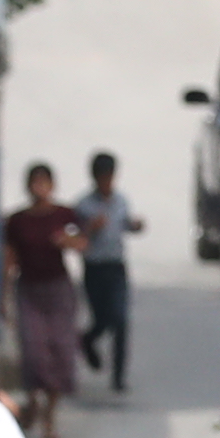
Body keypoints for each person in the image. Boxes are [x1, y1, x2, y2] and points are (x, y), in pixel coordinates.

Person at [0, 163, 87, 437]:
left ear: (52, 185)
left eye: (44, 182)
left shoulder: (64, 214)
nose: (40, 188)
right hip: (28, 289)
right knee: (33, 350)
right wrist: (3, 295)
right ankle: (34, 400)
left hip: (58, 288)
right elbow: (10, 258)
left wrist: (67, 241)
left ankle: (51, 412)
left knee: (60, 348)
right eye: (35, 183)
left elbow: (83, 242)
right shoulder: (18, 220)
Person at [73, 151, 142, 396]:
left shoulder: (120, 201)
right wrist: (91, 227)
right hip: (94, 269)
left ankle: (119, 376)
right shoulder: (84, 205)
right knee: (102, 319)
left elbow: (125, 223)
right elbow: (75, 236)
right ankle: (87, 340)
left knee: (121, 320)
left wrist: (134, 225)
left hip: (116, 267)